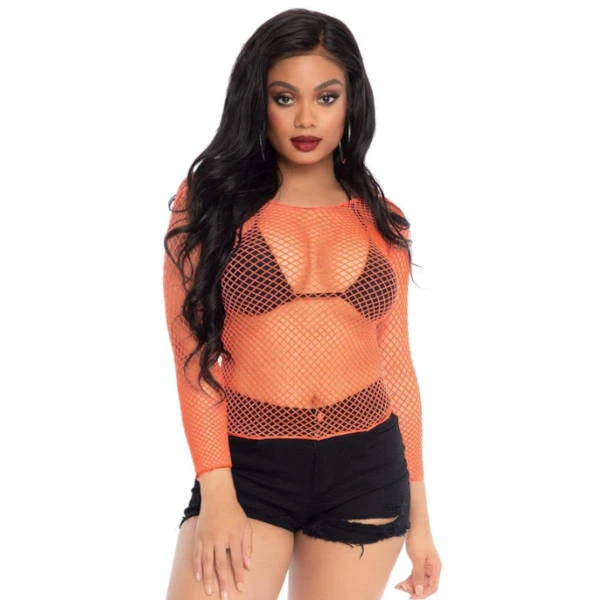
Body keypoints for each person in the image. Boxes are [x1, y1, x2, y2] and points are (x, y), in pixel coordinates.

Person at [162, 8, 441, 600]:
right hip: (249, 469)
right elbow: (193, 359)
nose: (307, 118)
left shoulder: (384, 222)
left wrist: (421, 519)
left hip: (367, 471)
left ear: (351, 102)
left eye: (326, 97)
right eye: (284, 97)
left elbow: (397, 368)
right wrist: (217, 492)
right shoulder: (210, 205)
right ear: (256, 102)